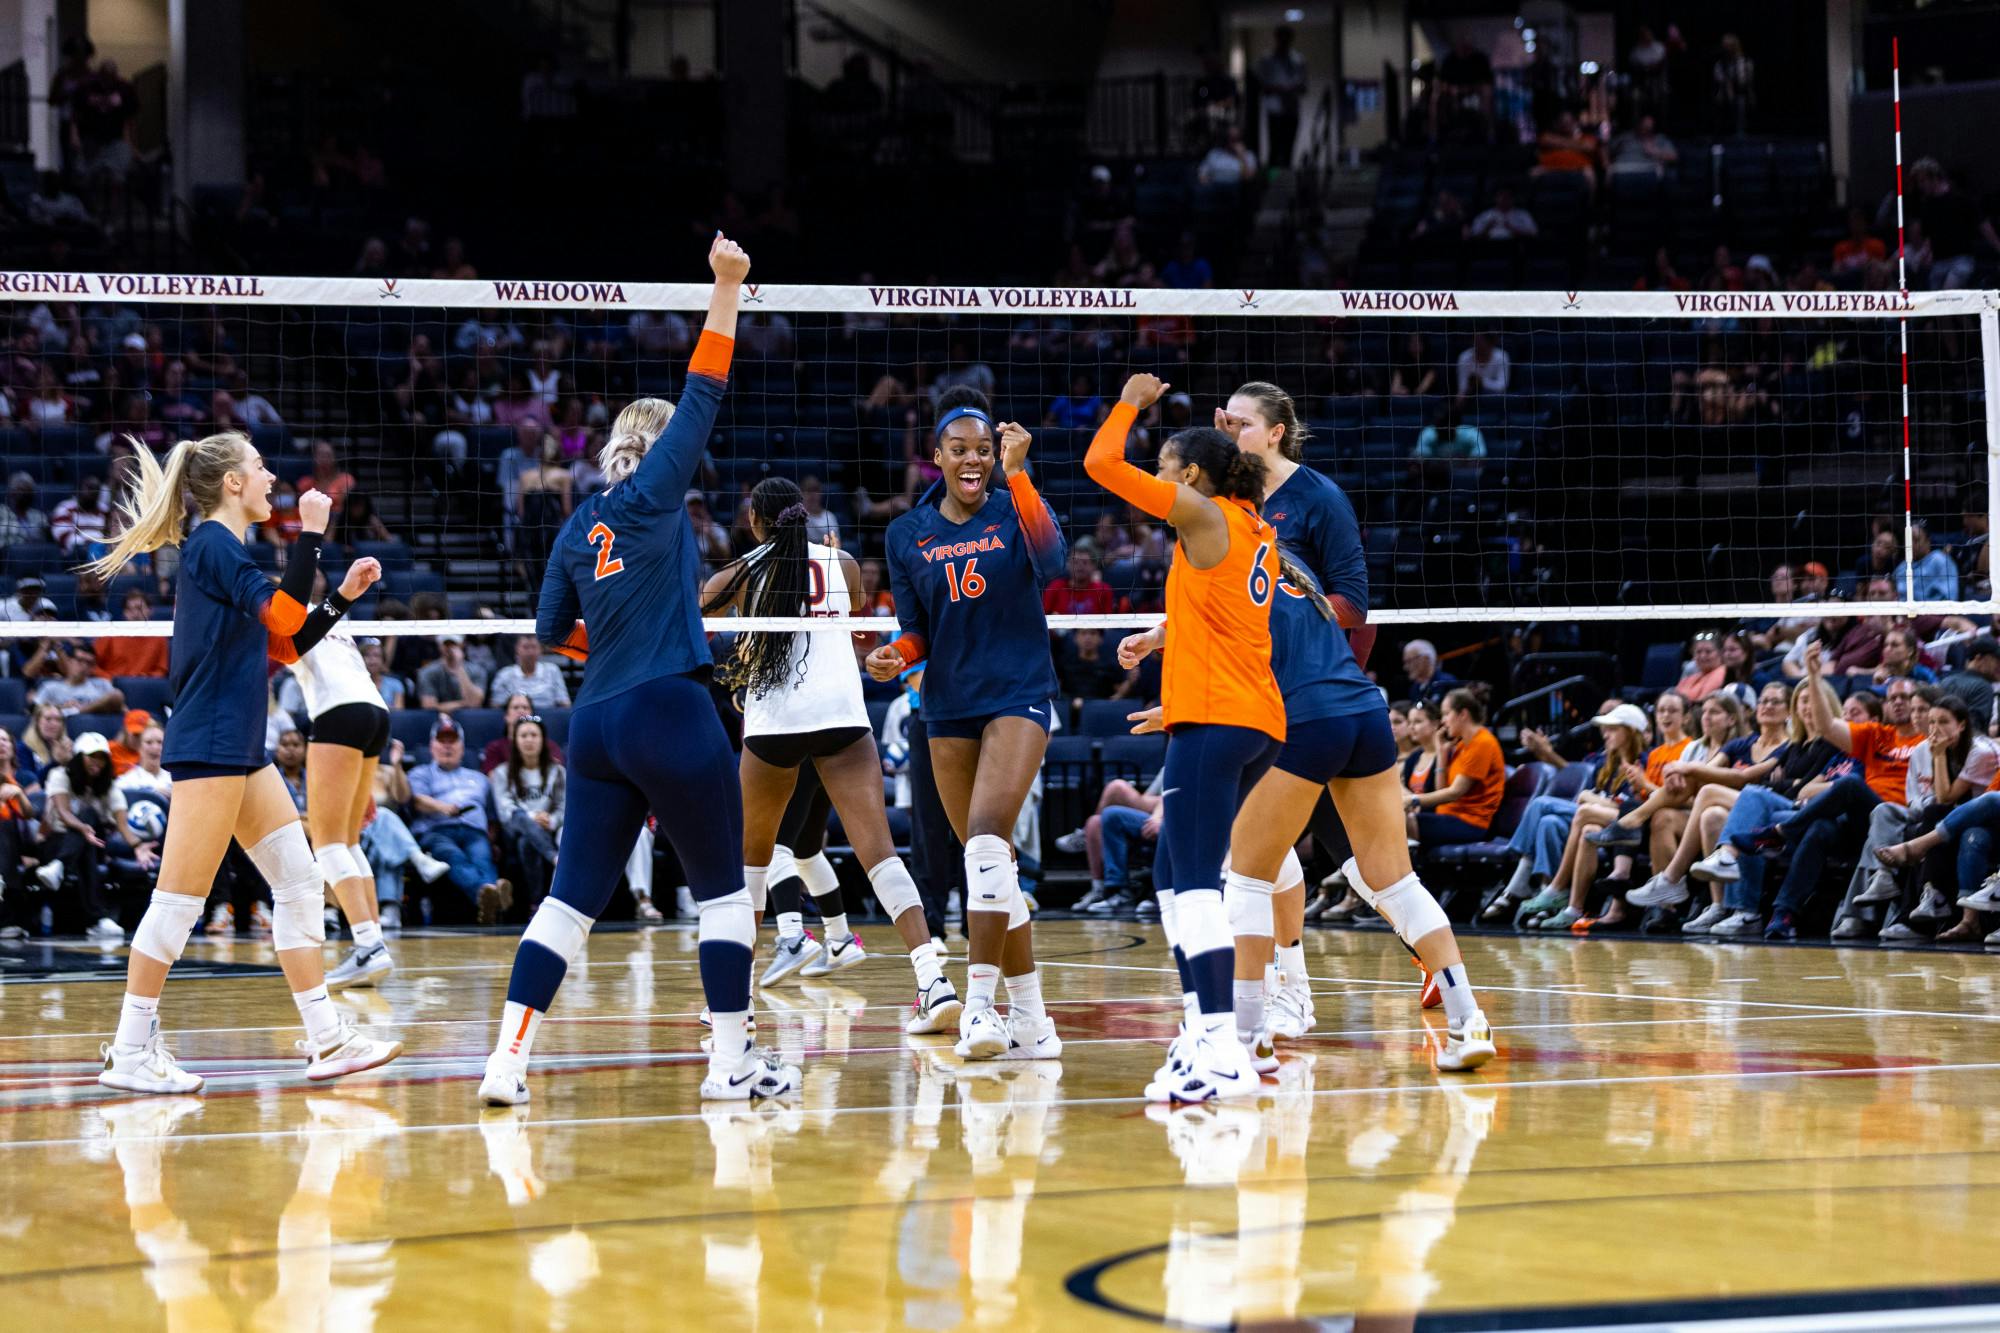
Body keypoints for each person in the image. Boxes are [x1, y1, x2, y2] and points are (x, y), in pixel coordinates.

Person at [481, 235, 799, 1107]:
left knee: (568, 902)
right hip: (669, 711)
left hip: (596, 725)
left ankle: (506, 1060)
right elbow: (707, 383)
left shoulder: (576, 524)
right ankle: (730, 1065)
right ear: (656, 450)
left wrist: (615, 641)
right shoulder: (661, 486)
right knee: (725, 896)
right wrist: (727, 286)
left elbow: (551, 636)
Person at [84, 430, 397, 1095]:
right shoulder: (213, 545)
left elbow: (282, 644)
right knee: (177, 904)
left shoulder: (225, 550)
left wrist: (339, 596)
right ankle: (131, 1049)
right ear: (231, 482)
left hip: (238, 748)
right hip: (212, 744)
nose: (270, 478)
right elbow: (284, 611)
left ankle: (327, 1037)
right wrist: (311, 534)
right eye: (258, 467)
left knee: (299, 880)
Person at [1203, 380, 1492, 1069]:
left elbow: (1351, 604)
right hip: (1352, 708)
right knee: (1386, 879)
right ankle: (1469, 1019)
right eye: (1220, 422)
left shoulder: (1300, 508)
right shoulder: (1233, 510)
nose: (1225, 430)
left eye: (1237, 423)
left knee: (1243, 871)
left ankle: (1247, 1035)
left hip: (1305, 703)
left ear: (1275, 431)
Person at [703, 477, 962, 1031]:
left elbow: (698, 604)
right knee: (880, 854)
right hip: (843, 718)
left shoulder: (746, 569)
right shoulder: (843, 563)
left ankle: (737, 1000)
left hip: (776, 724)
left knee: (751, 863)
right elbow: (849, 613)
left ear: (756, 522)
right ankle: (933, 982)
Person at [868, 381, 1067, 1065]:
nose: (974, 460)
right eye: (961, 450)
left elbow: (1054, 562)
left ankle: (980, 1006)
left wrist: (1021, 474)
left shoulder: (1016, 509)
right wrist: (900, 654)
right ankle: (1035, 1023)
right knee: (992, 864)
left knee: (984, 843)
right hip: (946, 705)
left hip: (1018, 693)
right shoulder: (908, 533)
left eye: (984, 449)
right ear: (937, 456)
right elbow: (918, 630)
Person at [288, 613, 397, 991]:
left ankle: (367, 944)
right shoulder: (328, 615)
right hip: (375, 712)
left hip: (339, 713)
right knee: (348, 840)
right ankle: (374, 942)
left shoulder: (281, 614)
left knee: (328, 843)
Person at [407, 715, 509, 923]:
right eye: (441, 741)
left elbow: (491, 815)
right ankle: (490, 892)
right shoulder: (420, 773)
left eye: (452, 741)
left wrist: (494, 840)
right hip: (438, 831)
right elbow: (417, 801)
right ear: (431, 746)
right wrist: (443, 807)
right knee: (453, 856)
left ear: (462, 747)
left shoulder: (480, 779)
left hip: (475, 831)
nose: (447, 747)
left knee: (483, 858)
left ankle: (489, 898)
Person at [39, 731, 130, 941]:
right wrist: (83, 829)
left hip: (93, 845)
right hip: (56, 842)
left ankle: (59, 867)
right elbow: (63, 812)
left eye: (102, 758)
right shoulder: (60, 775)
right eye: (92, 756)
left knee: (89, 822)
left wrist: (138, 846)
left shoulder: (109, 786)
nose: (97, 762)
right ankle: (97, 920)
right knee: (84, 838)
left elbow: (123, 823)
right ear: (79, 757)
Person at [493, 714, 564, 907]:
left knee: (528, 843)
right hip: (512, 831)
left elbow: (563, 806)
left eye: (534, 735)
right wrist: (533, 817)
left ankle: (536, 905)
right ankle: (555, 858)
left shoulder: (557, 772)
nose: (529, 740)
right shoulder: (502, 772)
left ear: (543, 740)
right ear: (515, 741)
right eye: (524, 735)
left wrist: (551, 820)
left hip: (545, 830)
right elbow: (505, 810)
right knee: (519, 819)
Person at [95, 587, 169, 678]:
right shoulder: (110, 634)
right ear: (124, 613)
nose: (134, 613)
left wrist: (144, 680)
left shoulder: (159, 637)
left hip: (143, 687)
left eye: (139, 608)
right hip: (111, 686)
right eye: (129, 609)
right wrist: (109, 679)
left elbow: (161, 670)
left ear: (149, 610)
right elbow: (92, 665)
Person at [481, 692, 565, 772]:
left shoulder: (548, 745)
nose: (521, 711)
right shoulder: (495, 748)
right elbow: (494, 779)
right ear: (506, 716)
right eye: (515, 707)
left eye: (525, 707)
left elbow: (557, 773)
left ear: (532, 714)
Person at [35, 642, 125, 715]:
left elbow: (119, 702)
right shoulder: (51, 687)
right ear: (70, 661)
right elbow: (34, 711)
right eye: (80, 660)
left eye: (89, 663)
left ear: (93, 667)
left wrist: (79, 710)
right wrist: (60, 707)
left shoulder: (102, 684)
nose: (84, 666)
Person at [487, 634, 571, 710]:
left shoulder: (552, 671)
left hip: (547, 718)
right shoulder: (504, 674)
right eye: (526, 647)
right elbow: (496, 705)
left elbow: (565, 703)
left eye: (534, 647)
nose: (530, 652)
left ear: (540, 650)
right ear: (517, 649)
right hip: (517, 718)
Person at [417, 633, 488, 712]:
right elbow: (429, 706)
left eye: (453, 644)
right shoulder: (428, 672)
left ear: (462, 644)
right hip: (438, 720)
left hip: (470, 719)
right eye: (446, 644)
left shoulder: (477, 670)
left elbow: (475, 703)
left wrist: (458, 665)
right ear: (439, 645)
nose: (450, 648)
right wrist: (465, 703)